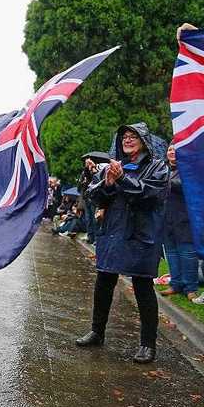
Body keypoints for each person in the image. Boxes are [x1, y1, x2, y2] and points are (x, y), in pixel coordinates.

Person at [76, 122, 169, 364]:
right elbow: (94, 195)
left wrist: (123, 179)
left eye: (133, 136)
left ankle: (148, 344)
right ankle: (97, 331)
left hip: (140, 235)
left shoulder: (157, 167)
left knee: (143, 287)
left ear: (144, 141)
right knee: (104, 281)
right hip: (113, 233)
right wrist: (107, 182)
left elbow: (149, 196)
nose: (127, 140)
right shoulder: (112, 166)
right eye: (124, 137)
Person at [160, 144, 199, 300]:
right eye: (170, 149)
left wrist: (165, 181)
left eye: (176, 149)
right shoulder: (163, 169)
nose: (172, 152)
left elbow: (185, 186)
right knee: (171, 252)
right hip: (166, 217)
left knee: (187, 253)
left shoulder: (190, 169)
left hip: (184, 217)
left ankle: (191, 287)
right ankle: (175, 284)